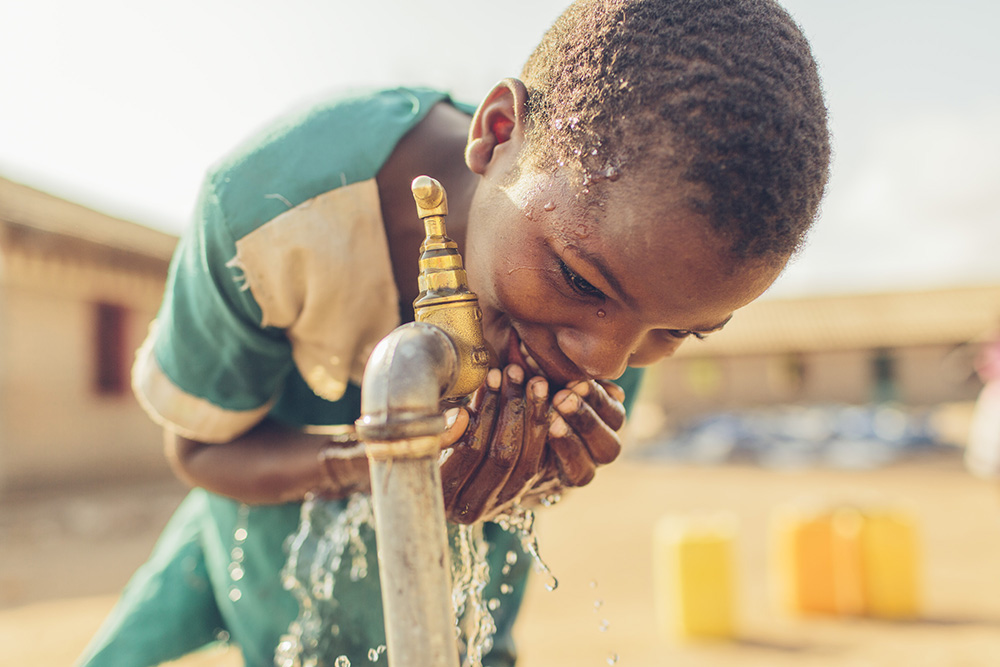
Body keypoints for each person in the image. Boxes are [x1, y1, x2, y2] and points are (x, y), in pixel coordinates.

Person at [77, 0, 830, 664]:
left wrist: (534, 474)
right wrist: (378, 462)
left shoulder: (625, 269)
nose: (605, 359)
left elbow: (526, 475)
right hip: (266, 511)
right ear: (497, 133)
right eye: (578, 281)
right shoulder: (268, 213)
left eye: (674, 334)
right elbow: (199, 447)